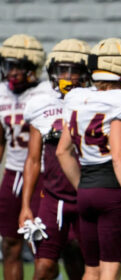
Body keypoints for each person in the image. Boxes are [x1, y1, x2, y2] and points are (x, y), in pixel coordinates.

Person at [56, 38, 121, 280]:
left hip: (85, 190)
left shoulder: (75, 97)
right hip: (112, 190)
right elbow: (119, 155)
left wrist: (83, 187)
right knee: (110, 271)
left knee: (91, 271)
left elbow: (62, 151)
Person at [18, 38, 91, 280]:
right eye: (62, 70)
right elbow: (32, 159)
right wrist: (26, 205)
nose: (68, 76)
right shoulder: (40, 103)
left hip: (87, 194)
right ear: (52, 72)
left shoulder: (96, 100)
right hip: (53, 197)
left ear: (86, 72)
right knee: (44, 267)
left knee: (86, 266)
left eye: (75, 70)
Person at [0, 34, 49, 280]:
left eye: (17, 66)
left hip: (43, 174)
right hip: (13, 173)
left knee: (42, 246)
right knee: (9, 244)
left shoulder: (45, 92)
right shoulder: (1, 93)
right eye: (7, 65)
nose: (11, 72)